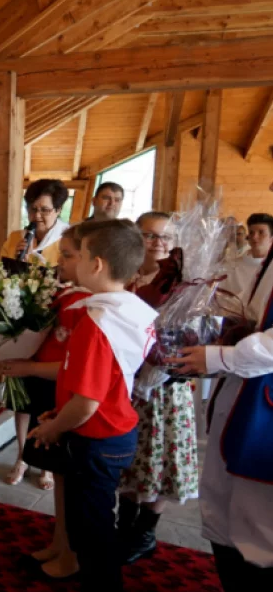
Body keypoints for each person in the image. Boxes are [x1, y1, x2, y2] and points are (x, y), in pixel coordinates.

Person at [29, 219, 157, 592]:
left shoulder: (97, 324)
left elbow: (87, 402)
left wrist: (53, 426)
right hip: (116, 429)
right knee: (97, 525)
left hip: (97, 436)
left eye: (79, 255)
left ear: (97, 264)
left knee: (92, 533)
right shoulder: (130, 308)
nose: (75, 262)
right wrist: (61, 410)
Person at [170, 222, 273, 592]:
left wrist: (218, 358)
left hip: (262, 405)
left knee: (258, 521)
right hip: (242, 393)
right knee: (222, 503)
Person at [3, 226, 90, 580]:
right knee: (61, 477)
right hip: (50, 387)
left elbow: (77, 366)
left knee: (73, 483)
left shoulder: (90, 305)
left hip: (66, 395)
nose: (60, 262)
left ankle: (71, 555)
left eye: (67, 256)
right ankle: (59, 541)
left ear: (92, 262)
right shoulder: (68, 292)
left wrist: (30, 366)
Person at [117, 212, 199, 565]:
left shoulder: (185, 285)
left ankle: (145, 532)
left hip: (163, 386)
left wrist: (157, 371)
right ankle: (124, 524)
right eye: (149, 235)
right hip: (125, 382)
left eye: (165, 237)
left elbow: (191, 335)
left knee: (159, 455)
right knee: (129, 455)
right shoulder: (125, 275)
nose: (158, 243)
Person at [0, 178, 69, 267]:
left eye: (44, 210)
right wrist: (16, 263)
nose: (37, 215)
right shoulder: (14, 238)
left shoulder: (68, 243)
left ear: (58, 210)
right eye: (33, 209)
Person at [221, 213, 273, 303]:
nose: (254, 237)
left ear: (271, 238)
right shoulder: (232, 266)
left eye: (261, 232)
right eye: (251, 232)